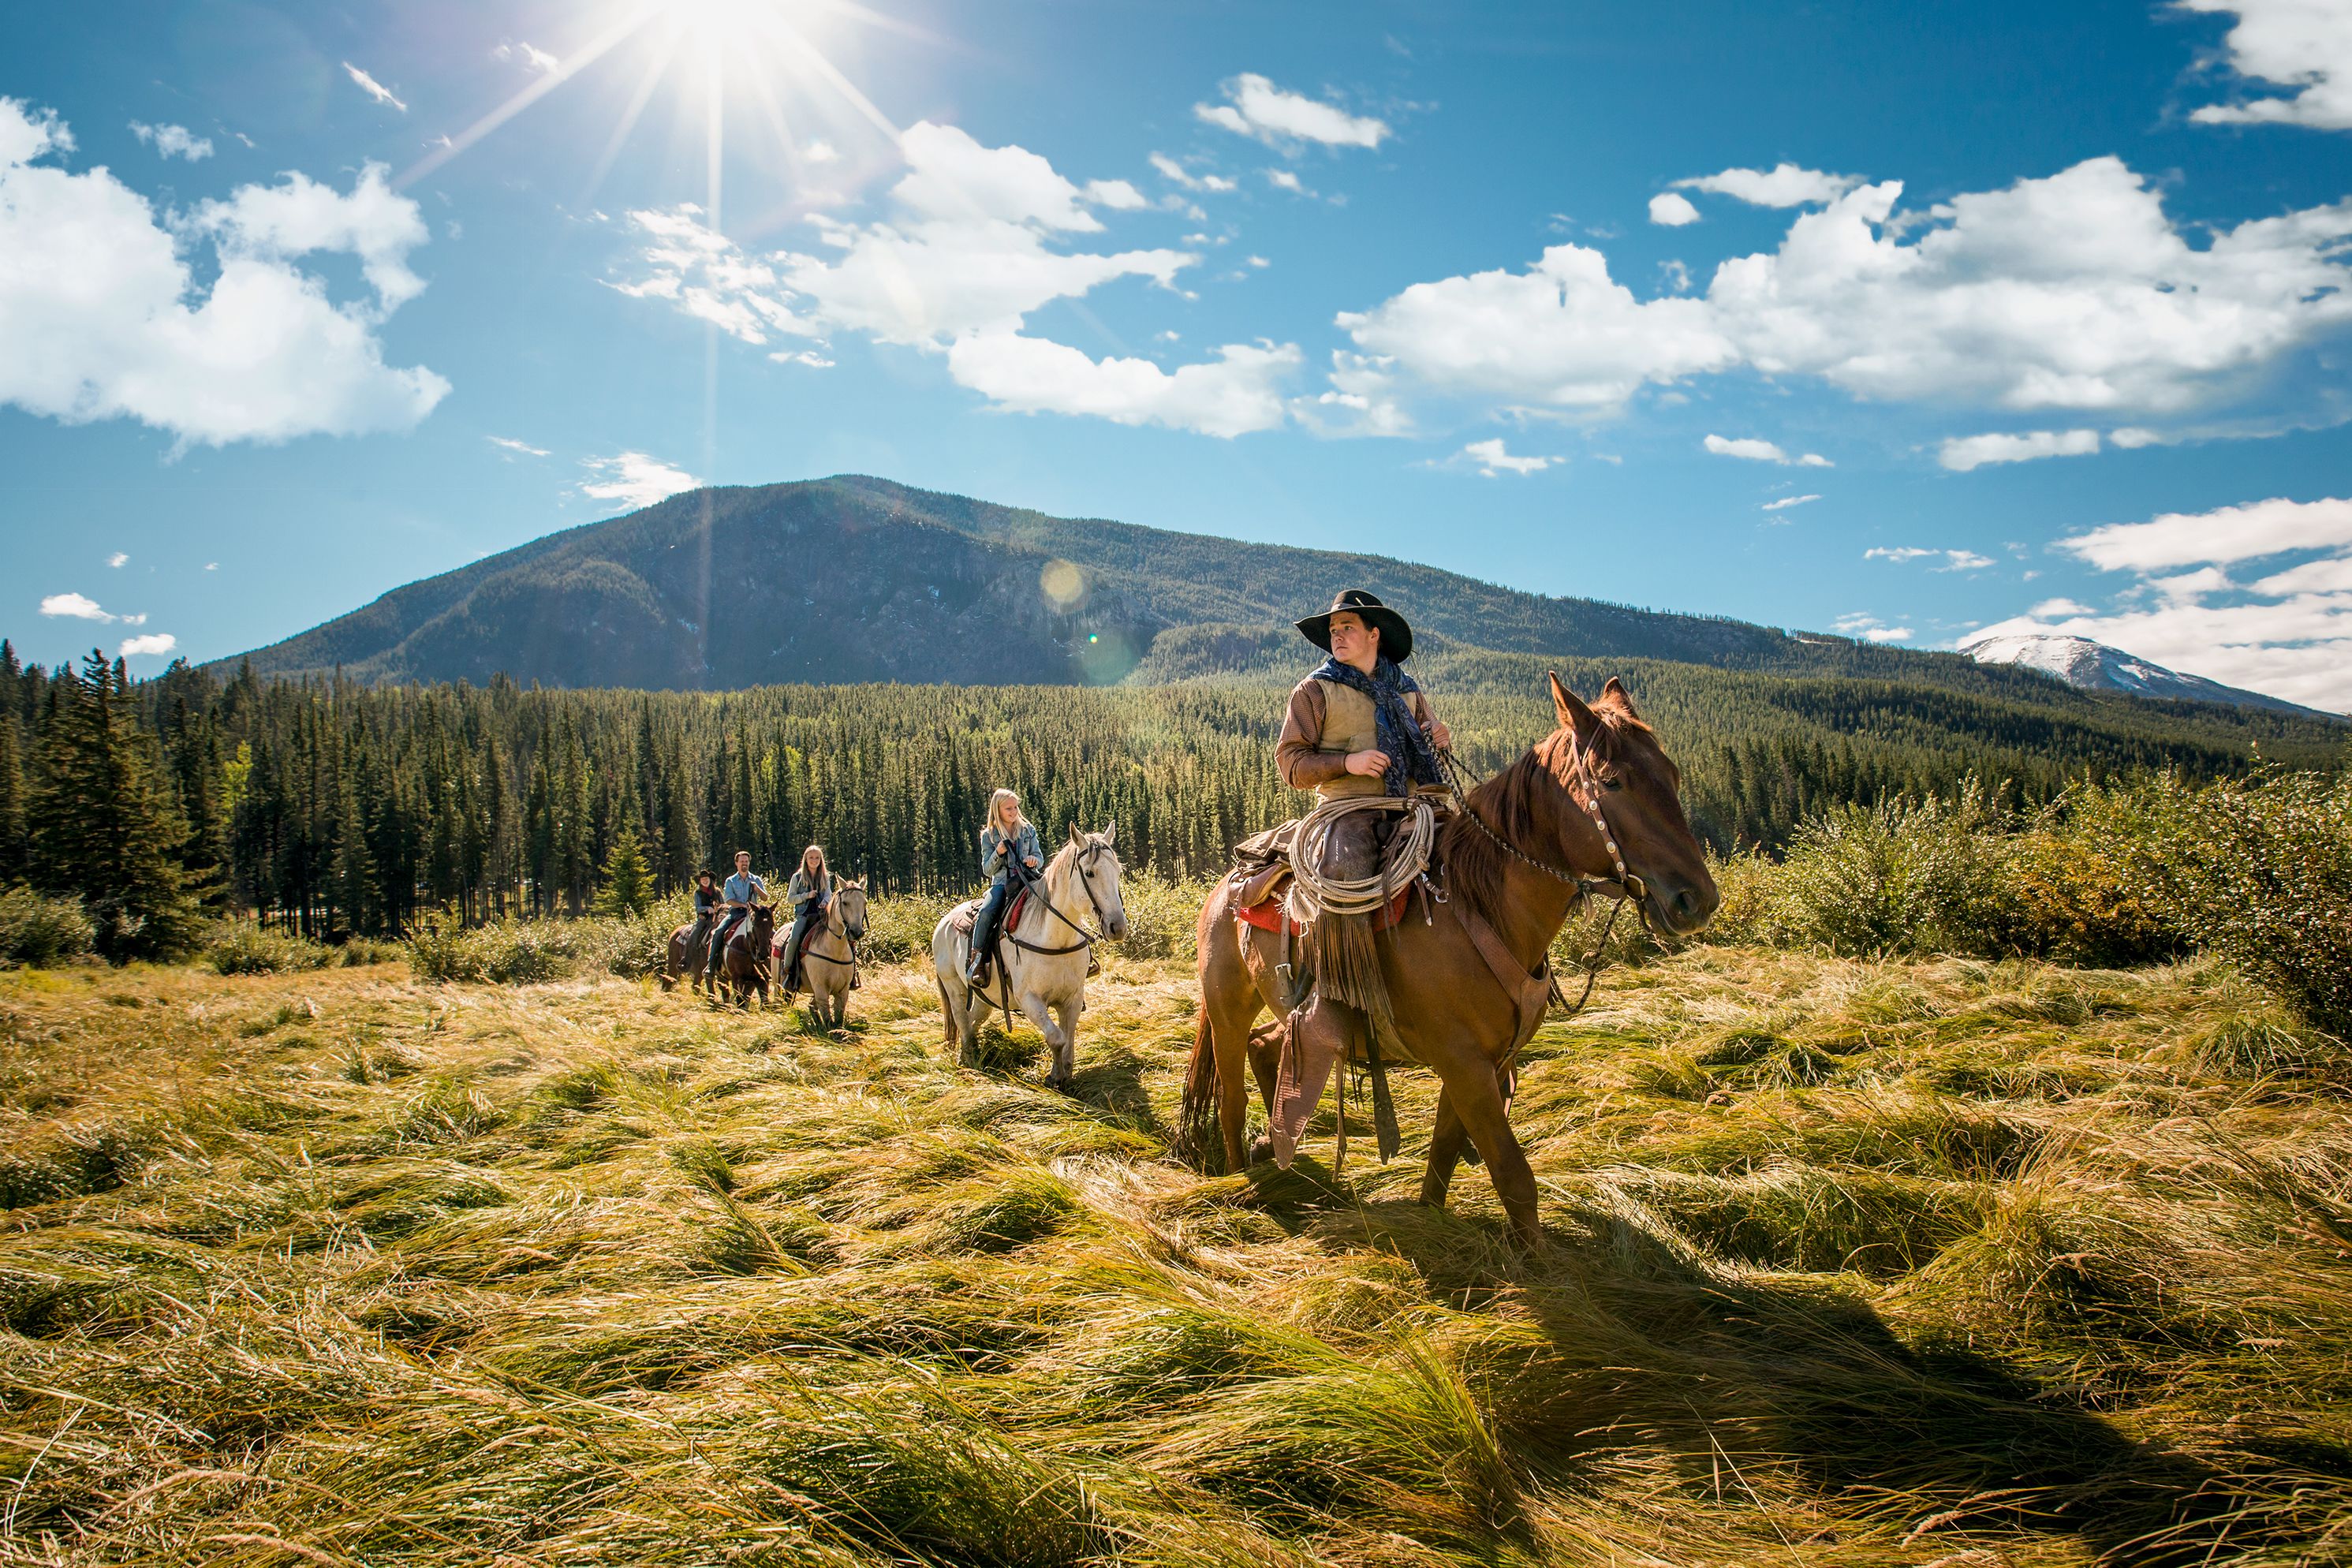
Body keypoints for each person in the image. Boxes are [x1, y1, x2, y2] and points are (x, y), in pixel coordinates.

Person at [965, 788, 1043, 989]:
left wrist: (1034, 860)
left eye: (1016, 807)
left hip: (1029, 880)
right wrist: (998, 853)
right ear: (997, 810)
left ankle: (1083, 958)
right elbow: (987, 869)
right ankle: (978, 961)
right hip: (1002, 884)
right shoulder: (989, 836)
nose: (1014, 811)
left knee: (1058, 900)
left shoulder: (1028, 830)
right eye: (1008, 808)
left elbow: (1039, 857)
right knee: (987, 911)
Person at [777, 843, 832, 991]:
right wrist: (806, 896)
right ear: (805, 859)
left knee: (842, 935)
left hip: (821, 916)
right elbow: (790, 898)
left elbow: (829, 895)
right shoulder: (797, 877)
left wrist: (825, 903)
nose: (814, 860)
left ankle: (851, 972)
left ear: (821, 860)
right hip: (804, 915)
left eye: (817, 858)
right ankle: (787, 969)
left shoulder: (825, 877)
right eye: (811, 858)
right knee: (794, 938)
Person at [709, 849, 767, 971]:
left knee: (769, 932)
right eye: (741, 861)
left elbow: (765, 897)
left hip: (753, 915)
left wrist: (757, 889)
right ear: (737, 863)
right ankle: (712, 964)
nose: (744, 863)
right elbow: (729, 900)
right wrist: (743, 905)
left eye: (746, 861)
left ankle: (774, 964)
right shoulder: (731, 880)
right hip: (736, 913)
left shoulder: (756, 879)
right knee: (719, 932)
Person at [685, 868, 722, 984]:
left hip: (717, 918)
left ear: (710, 880)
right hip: (704, 919)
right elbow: (698, 908)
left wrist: (718, 909)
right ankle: (688, 959)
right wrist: (707, 909)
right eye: (703, 880)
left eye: (706, 879)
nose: (705, 881)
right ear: (700, 881)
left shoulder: (717, 891)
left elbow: (723, 904)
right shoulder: (698, 893)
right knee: (694, 935)